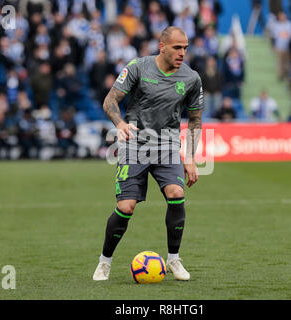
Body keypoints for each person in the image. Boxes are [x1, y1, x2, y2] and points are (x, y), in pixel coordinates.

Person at [92, 26, 203, 281]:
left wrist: (191, 158)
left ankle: (173, 260)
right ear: (162, 46)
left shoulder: (192, 78)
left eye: (185, 47)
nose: (182, 53)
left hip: (166, 146)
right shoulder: (138, 67)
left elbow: (195, 120)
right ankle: (104, 261)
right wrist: (119, 124)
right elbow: (110, 100)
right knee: (126, 207)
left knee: (176, 194)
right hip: (136, 145)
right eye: (177, 47)